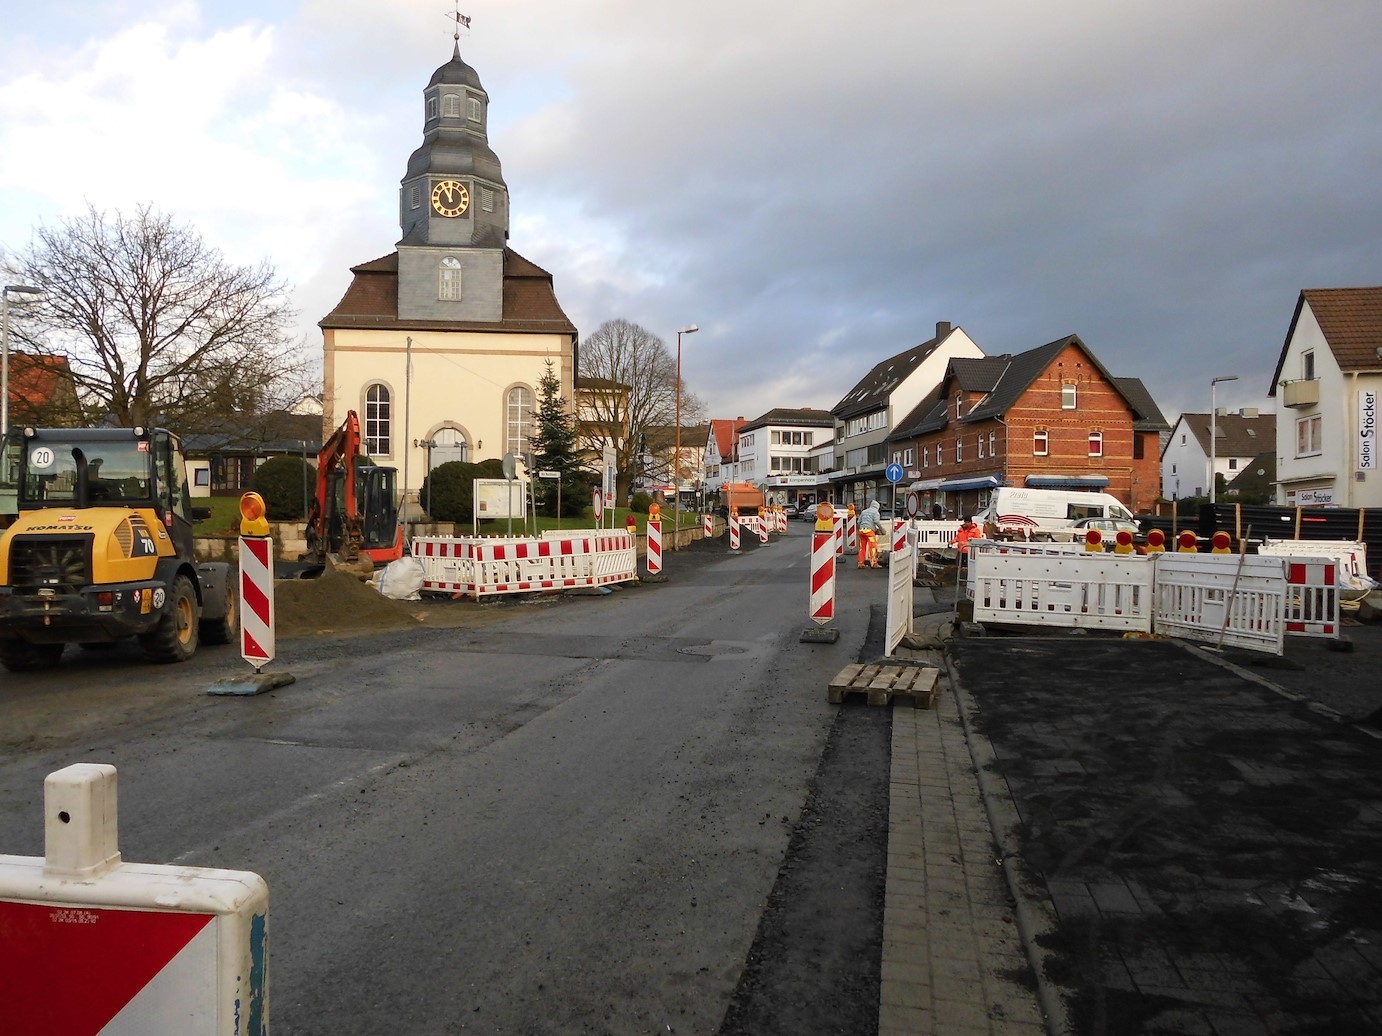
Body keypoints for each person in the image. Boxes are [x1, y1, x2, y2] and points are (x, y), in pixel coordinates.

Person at [857, 499, 882, 568]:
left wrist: (861, 528)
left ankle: (860, 563)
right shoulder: (875, 512)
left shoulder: (864, 512)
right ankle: (874, 563)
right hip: (869, 532)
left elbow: (858, 522)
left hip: (861, 531)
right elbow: (876, 522)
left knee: (862, 548)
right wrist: (881, 529)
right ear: (877, 507)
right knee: (873, 547)